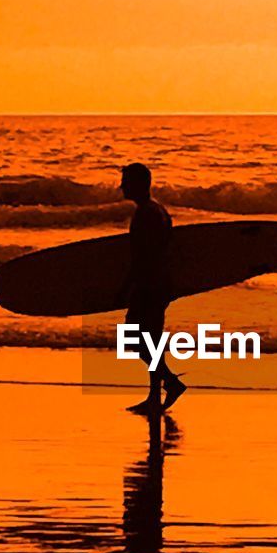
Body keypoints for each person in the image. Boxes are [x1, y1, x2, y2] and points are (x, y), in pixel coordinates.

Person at [118, 163, 186, 414]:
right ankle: (159, 391)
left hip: (150, 285)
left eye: (126, 181)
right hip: (157, 284)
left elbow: (144, 256)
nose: (121, 186)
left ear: (138, 183)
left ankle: (168, 385)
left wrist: (127, 285)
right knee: (146, 340)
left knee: (140, 339)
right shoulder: (155, 210)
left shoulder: (147, 214)